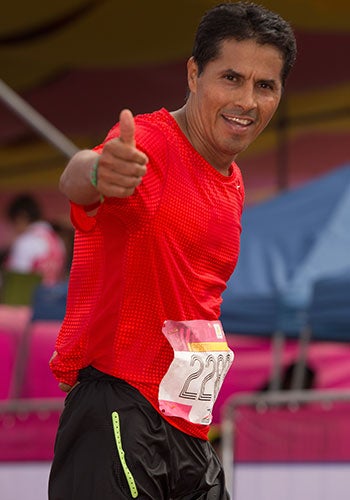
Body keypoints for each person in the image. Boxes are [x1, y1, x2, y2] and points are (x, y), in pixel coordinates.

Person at [49, 2, 297, 498]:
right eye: (231, 77)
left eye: (264, 85)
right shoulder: (150, 146)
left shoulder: (233, 181)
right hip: (119, 407)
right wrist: (96, 172)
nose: (247, 100)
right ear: (193, 74)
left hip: (187, 425)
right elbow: (79, 178)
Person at [3, 193, 66, 286]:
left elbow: (16, 281)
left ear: (21, 217)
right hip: (53, 298)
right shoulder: (58, 241)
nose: (14, 229)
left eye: (14, 223)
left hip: (28, 298)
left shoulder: (25, 242)